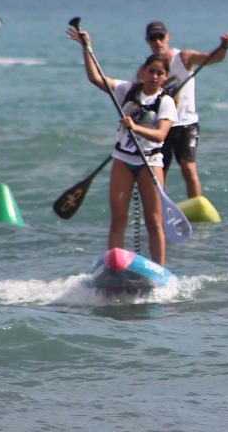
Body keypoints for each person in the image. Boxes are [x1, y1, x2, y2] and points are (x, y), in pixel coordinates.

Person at [67, 25, 177, 266]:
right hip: (123, 160)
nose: (154, 76)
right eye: (151, 71)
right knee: (118, 218)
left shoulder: (166, 101)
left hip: (151, 163)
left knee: (153, 220)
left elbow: (160, 135)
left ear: (165, 77)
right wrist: (87, 48)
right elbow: (95, 78)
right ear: (143, 72)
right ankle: (115, 264)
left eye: (160, 73)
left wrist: (134, 127)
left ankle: (159, 268)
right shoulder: (127, 90)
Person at [142, 20, 228, 199]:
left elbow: (211, 57)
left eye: (160, 37)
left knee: (188, 168)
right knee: (159, 172)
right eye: (153, 38)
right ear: (148, 41)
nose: (158, 42)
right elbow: (141, 98)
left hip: (186, 124)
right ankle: (159, 208)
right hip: (162, 127)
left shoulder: (183, 58)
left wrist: (224, 47)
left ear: (167, 37)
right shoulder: (148, 70)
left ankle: (196, 206)